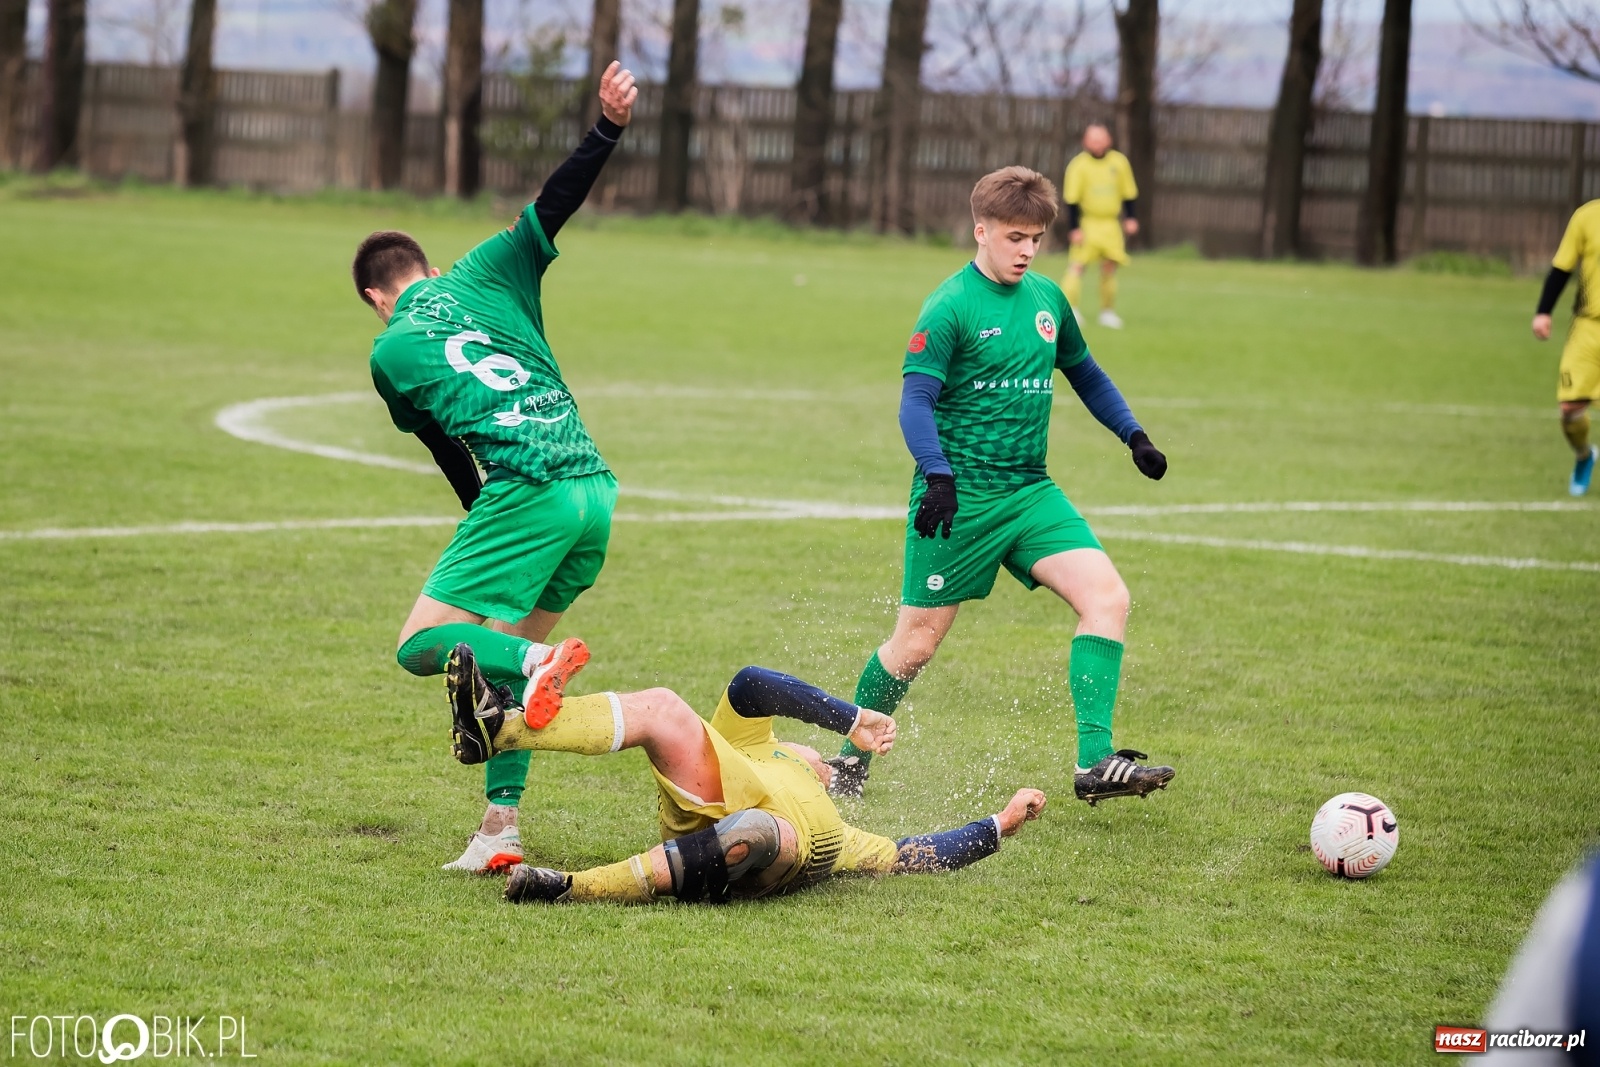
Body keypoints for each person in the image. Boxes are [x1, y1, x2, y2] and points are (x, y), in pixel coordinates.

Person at [351, 63, 638, 873]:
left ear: (377, 297)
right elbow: (554, 202)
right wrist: (608, 127)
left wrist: (483, 506)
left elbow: (445, 444)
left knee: (421, 643)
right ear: (430, 269)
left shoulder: (391, 349)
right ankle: (499, 830)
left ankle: (540, 662)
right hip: (593, 489)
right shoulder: (484, 269)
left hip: (528, 490)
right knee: (496, 663)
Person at [825, 165, 1174, 807]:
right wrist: (937, 474)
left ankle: (1094, 762)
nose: (1027, 250)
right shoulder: (950, 306)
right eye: (1015, 237)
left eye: (1036, 238)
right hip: (958, 499)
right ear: (980, 230)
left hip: (1030, 491)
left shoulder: (1048, 301)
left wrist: (1134, 435)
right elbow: (915, 402)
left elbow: (1086, 373)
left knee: (1108, 598)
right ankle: (850, 759)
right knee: (915, 645)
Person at [442, 642, 1049, 903]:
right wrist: (850, 719)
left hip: (762, 854)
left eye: (829, 762)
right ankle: (499, 729)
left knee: (761, 829)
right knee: (664, 707)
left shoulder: (844, 834)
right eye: (821, 752)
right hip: (703, 811)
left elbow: (918, 854)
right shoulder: (754, 743)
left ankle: (570, 887)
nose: (821, 757)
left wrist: (999, 824)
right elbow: (754, 683)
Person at [1531, 200, 1600, 496]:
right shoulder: (1587, 216)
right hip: (1587, 327)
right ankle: (1584, 456)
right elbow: (1562, 267)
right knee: (1570, 408)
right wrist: (1543, 311)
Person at [1061, 123, 1139, 330]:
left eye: (1100, 138)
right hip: (1088, 224)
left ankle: (1107, 312)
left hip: (1111, 225)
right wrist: (1074, 228)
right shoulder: (1078, 165)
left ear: (1108, 140)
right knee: (1077, 266)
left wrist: (1131, 217)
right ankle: (1071, 310)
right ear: (1085, 141)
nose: (1097, 143)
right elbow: (1071, 199)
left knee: (1109, 268)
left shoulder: (1119, 162)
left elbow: (1129, 192)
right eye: (1093, 139)